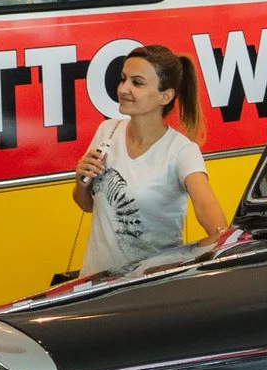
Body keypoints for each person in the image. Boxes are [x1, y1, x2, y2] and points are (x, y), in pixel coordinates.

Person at [73, 44, 229, 276]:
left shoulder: (181, 151)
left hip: (147, 287)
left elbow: (208, 208)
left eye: (137, 83)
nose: (124, 89)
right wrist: (81, 182)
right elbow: (86, 205)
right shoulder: (107, 130)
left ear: (165, 96)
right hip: (96, 282)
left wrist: (223, 242)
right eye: (123, 79)